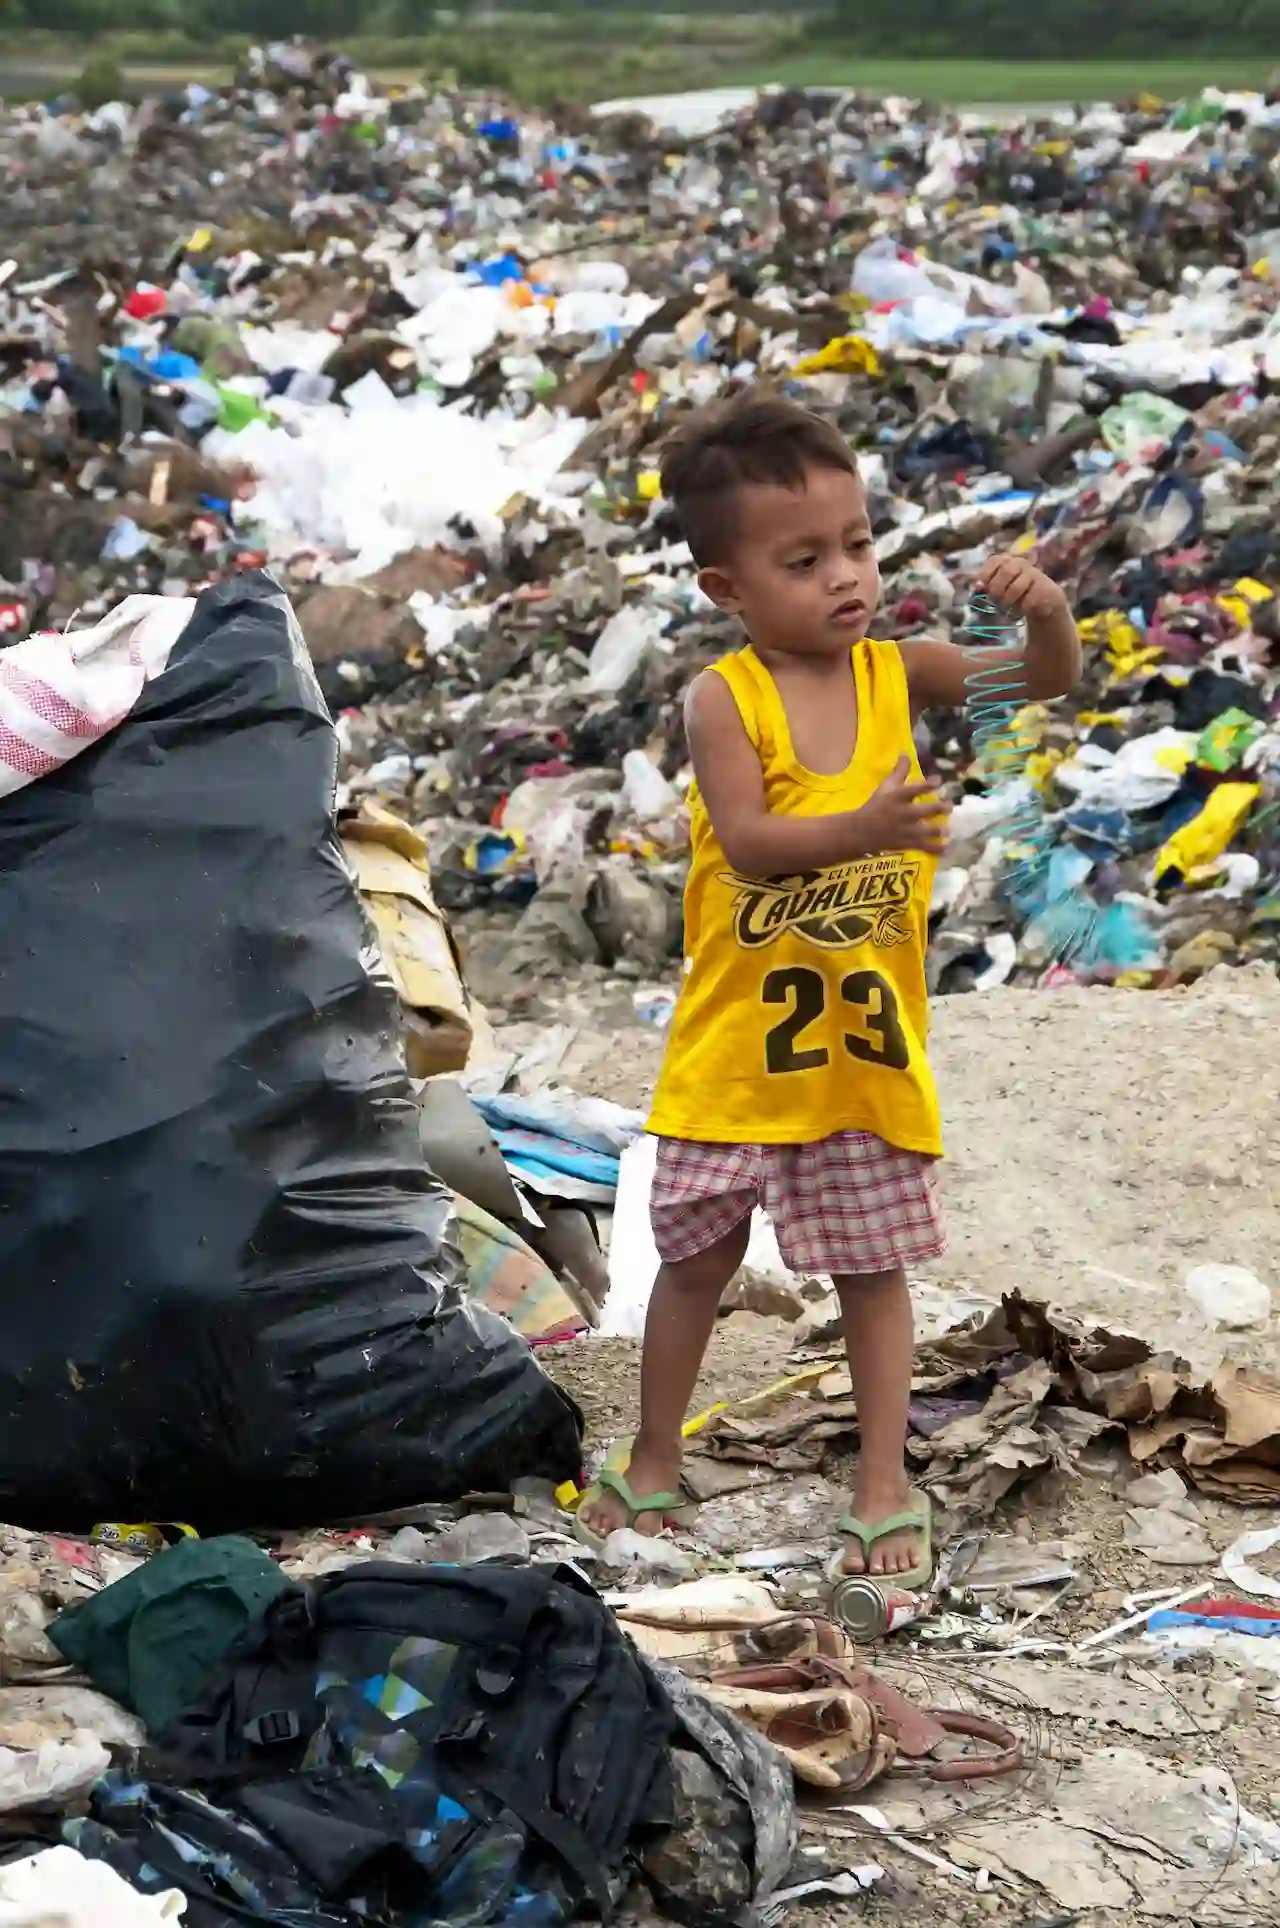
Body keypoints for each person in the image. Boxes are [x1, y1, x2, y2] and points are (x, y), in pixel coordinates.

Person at [578, 390, 1081, 1581]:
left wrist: (1049, 614)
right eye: (802, 560)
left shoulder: (897, 675)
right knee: (695, 1263)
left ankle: (880, 1478)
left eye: (855, 544)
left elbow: (1035, 684)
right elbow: (748, 840)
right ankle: (653, 1456)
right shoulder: (723, 698)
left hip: (860, 1056)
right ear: (727, 590)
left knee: (871, 1272)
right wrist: (862, 823)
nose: (843, 576)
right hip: (734, 1055)